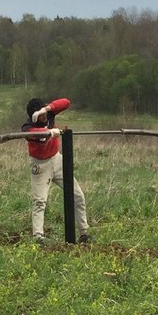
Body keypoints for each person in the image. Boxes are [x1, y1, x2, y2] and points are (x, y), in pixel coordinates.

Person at [22, 97, 90, 244]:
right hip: (40, 165)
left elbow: (66, 102)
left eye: (44, 111)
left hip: (57, 159)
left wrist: (47, 108)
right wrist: (49, 132)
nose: (44, 116)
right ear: (33, 116)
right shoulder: (28, 126)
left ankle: (84, 233)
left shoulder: (49, 113)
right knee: (39, 201)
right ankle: (38, 237)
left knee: (77, 195)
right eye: (40, 114)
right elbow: (32, 133)